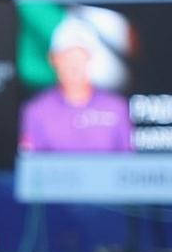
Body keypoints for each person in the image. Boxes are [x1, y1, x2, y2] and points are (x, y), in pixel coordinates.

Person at [18, 15, 133, 153]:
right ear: (54, 59)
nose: (73, 64)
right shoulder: (36, 111)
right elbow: (30, 164)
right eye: (66, 56)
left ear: (89, 57)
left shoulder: (116, 107)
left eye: (79, 55)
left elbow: (128, 161)